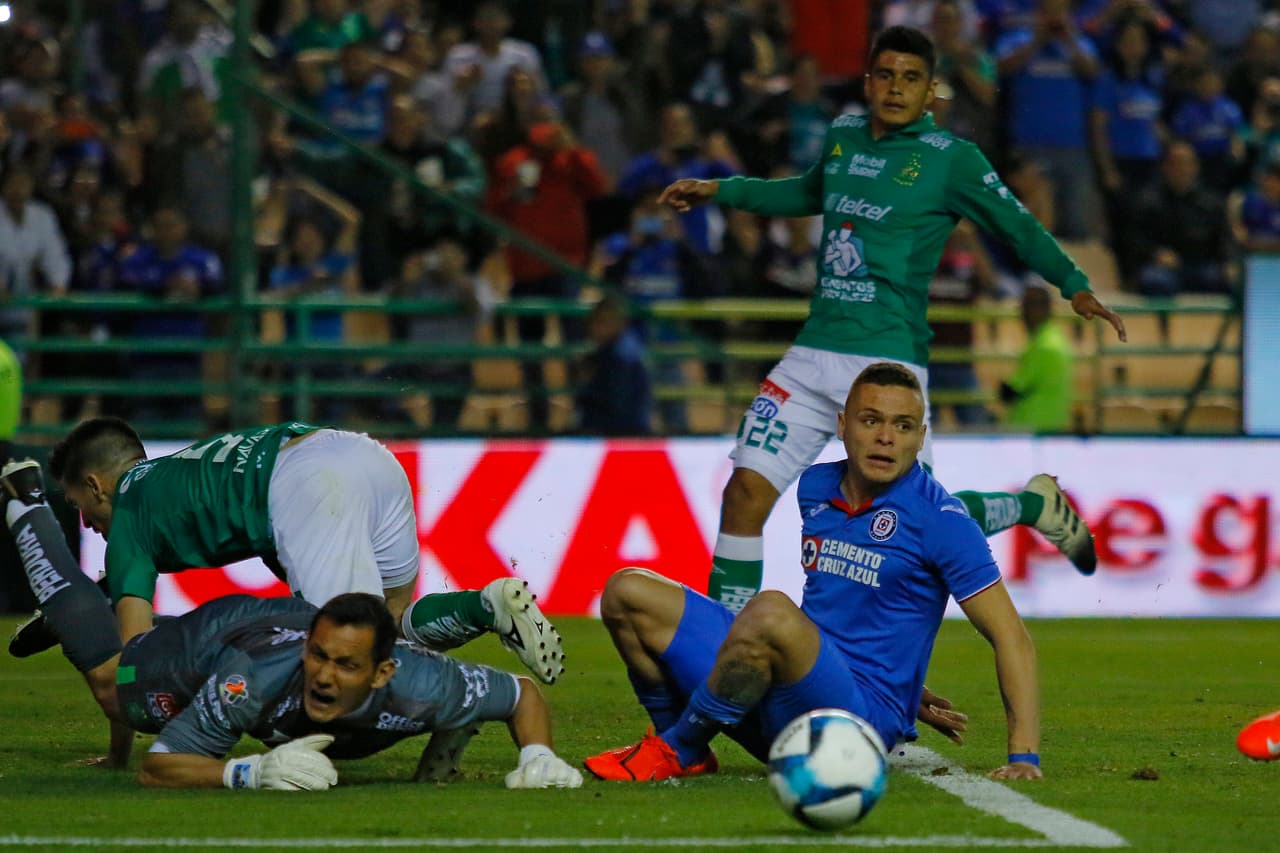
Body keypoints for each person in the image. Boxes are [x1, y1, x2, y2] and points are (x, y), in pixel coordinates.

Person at [657, 26, 1126, 612]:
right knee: (744, 493)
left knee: (920, 523)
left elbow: (1018, 226)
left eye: (911, 78)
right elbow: (806, 192)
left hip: (886, 360)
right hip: (811, 356)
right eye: (886, 75)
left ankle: (1033, 506)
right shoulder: (844, 136)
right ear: (867, 82)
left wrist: (1075, 285)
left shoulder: (952, 160)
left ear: (931, 90)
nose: (896, 88)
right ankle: (723, 656)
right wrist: (720, 190)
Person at [584, 363, 1041, 782]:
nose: (886, 437)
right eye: (871, 420)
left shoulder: (941, 520)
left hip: (857, 721)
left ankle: (679, 745)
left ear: (920, 438)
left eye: (902, 426)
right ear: (843, 426)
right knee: (627, 591)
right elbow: (845, 606)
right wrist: (908, 683)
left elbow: (1010, 636)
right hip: (794, 687)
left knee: (769, 610)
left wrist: (1023, 757)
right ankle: (681, 748)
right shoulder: (816, 486)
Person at [0, 460, 580, 788]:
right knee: (111, 680)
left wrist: (538, 758)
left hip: (305, 516)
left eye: (346, 664)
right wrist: (248, 772)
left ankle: (79, 614)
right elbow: (159, 767)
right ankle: (25, 501)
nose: (323, 675)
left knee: (392, 620)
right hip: (210, 644)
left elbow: (519, 692)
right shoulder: (249, 679)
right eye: (320, 656)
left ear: (385, 673)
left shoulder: (425, 682)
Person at [23, 420, 563, 686]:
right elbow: (113, 586)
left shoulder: (130, 521)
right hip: (366, 456)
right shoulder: (173, 477)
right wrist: (67, 614)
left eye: (77, 506)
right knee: (390, 622)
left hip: (307, 484)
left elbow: (132, 661)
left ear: (96, 486)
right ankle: (485, 607)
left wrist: (120, 752)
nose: (86, 523)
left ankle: (463, 703)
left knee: (344, 649)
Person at [999, 285, 1073, 433]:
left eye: (1027, 306)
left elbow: (1012, 391)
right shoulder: (1055, 339)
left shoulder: (1044, 347)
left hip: (1034, 428)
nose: (1022, 313)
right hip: (1051, 424)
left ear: (1045, 308)